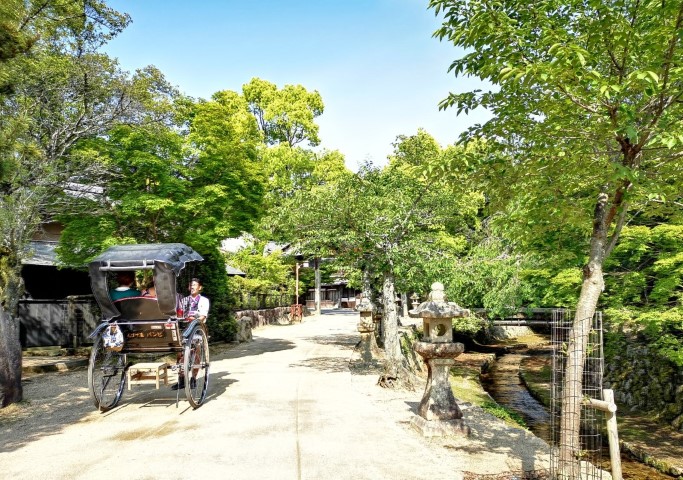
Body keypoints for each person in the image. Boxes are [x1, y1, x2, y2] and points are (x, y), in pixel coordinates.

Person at [172, 278, 210, 390]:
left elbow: (202, 317)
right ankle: (182, 379)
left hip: (197, 328)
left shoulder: (204, 300)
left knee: (196, 352)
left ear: (200, 287)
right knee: (179, 353)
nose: (192, 287)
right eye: (191, 285)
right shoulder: (183, 300)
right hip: (184, 327)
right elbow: (179, 315)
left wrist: (192, 319)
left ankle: (193, 378)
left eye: (195, 285)